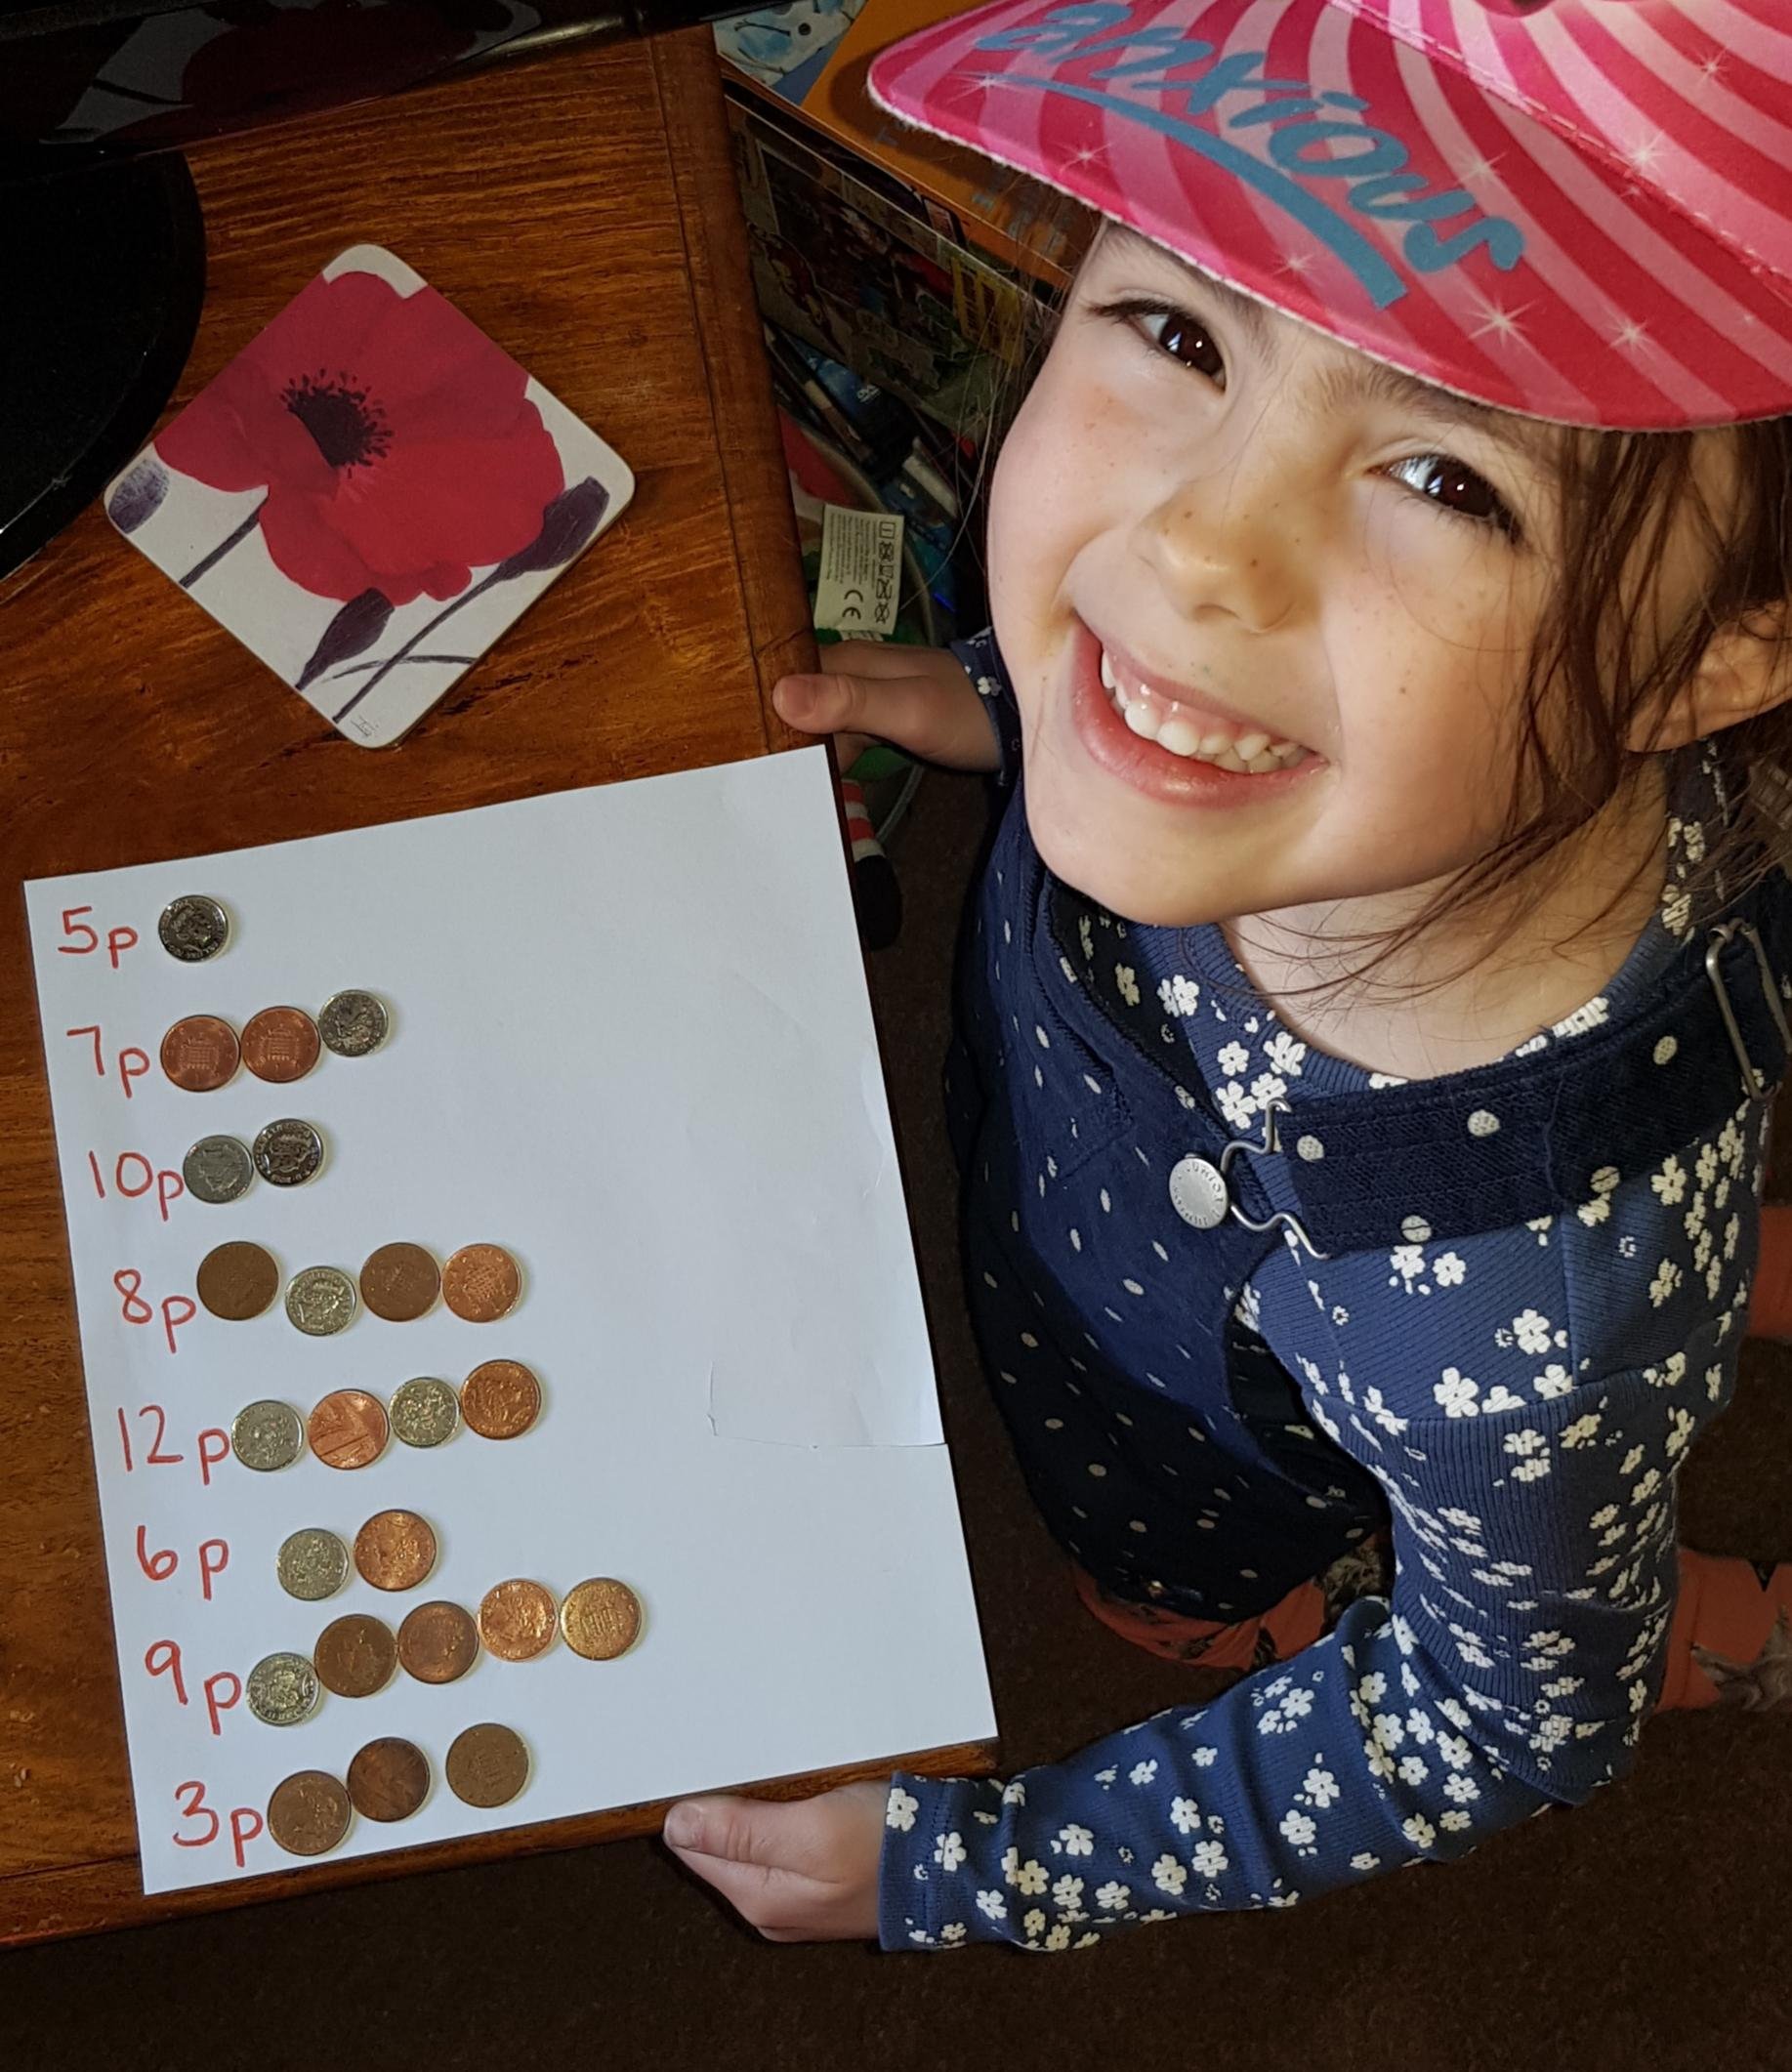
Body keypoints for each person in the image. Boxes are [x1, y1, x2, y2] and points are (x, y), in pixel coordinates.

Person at [664, 0, 1792, 1950]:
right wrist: (1008, 697)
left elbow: (1504, 1728)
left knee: (1264, 1591)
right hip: (1135, 1215)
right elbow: (1162, 629)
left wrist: (976, 1867)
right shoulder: (1248, 727)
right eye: (1180, 332)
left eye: (1449, 479)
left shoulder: (1516, 1318)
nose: (1194, 551)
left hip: (1255, 1443)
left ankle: (1666, 1598)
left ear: (1706, 662)